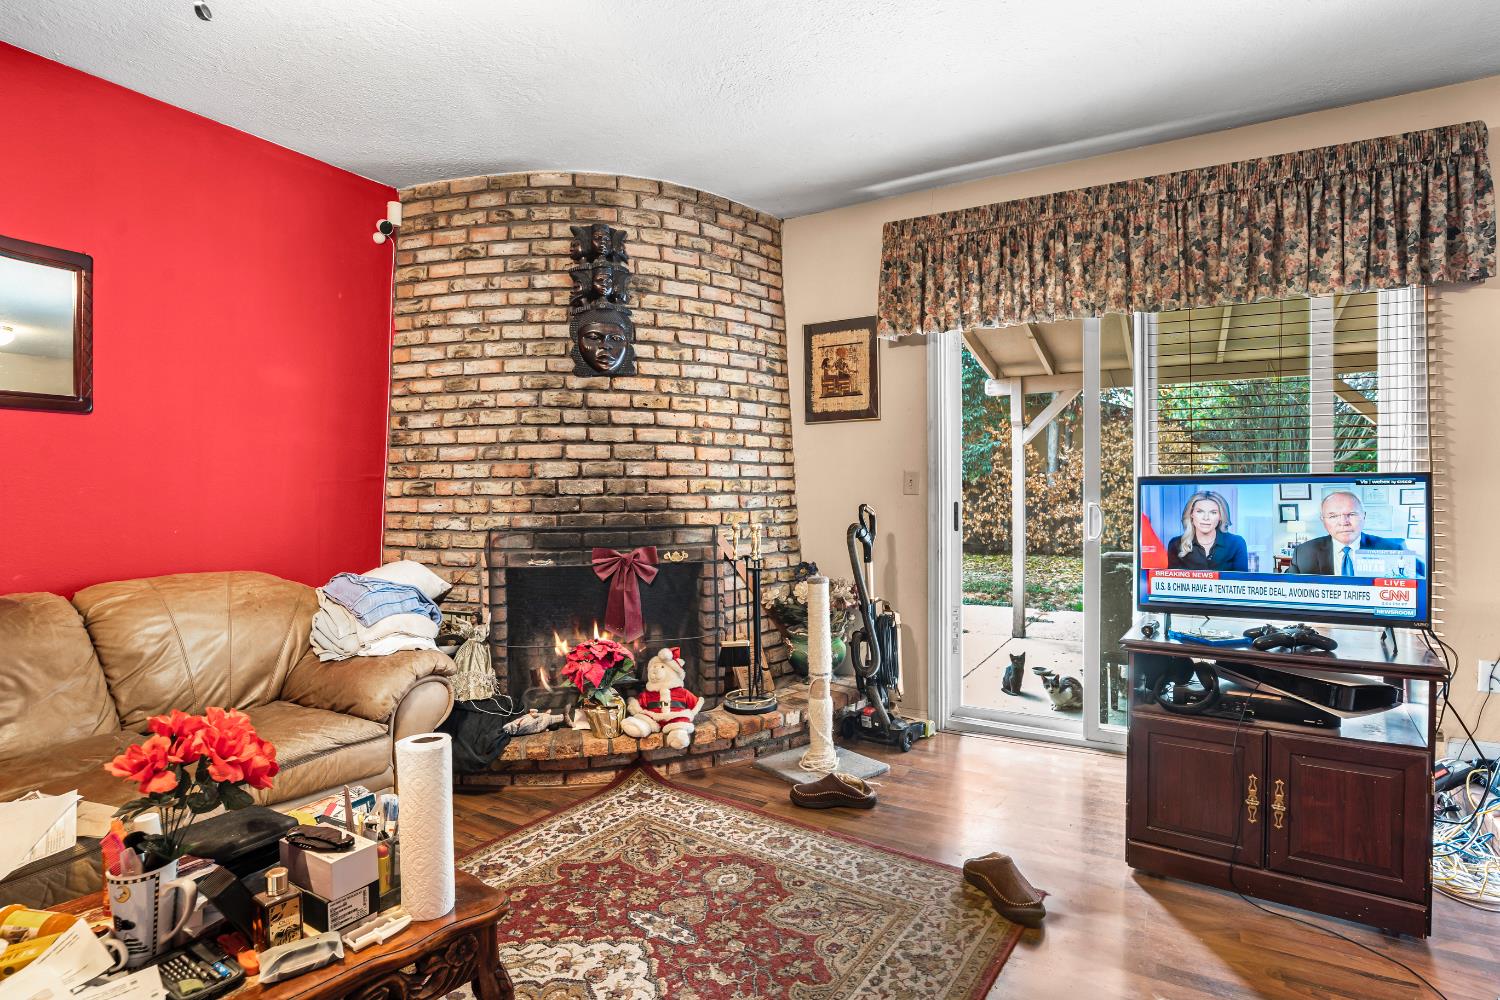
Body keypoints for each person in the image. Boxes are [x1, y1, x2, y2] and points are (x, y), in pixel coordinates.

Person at [1287, 490, 1424, 576]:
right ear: (1323, 520)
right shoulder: (1303, 553)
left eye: (1351, 514)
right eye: (1333, 516)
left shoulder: (1393, 549)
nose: (1343, 522)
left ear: (1364, 516)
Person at [1166, 491, 1249, 571]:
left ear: (1220, 516)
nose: (1206, 518)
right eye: (1200, 511)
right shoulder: (1176, 544)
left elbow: (1242, 582)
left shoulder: (1236, 543)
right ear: (1191, 514)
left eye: (1213, 512)